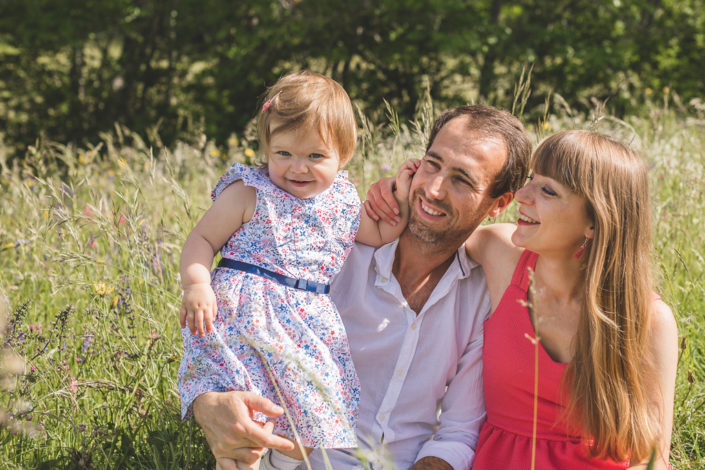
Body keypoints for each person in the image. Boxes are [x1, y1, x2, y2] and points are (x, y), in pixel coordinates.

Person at [189, 105, 532, 469]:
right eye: (432, 164)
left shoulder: (485, 292)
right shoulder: (330, 245)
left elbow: (458, 435)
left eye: (462, 179)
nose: (433, 189)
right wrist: (207, 402)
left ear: (499, 204)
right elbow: (235, 323)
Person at [371, 130, 678, 469]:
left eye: (547, 190)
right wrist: (390, 195)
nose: (522, 195)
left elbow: (652, 458)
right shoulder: (500, 255)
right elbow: (434, 221)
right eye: (532, 179)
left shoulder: (648, 320)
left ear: (594, 221)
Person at [177, 70, 412, 470]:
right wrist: (196, 284)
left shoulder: (342, 202)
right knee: (246, 409)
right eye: (283, 153)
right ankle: (236, 460)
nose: (297, 168)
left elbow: (381, 231)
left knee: (307, 418)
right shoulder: (250, 192)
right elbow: (201, 240)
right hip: (243, 316)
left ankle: (279, 462)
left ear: (344, 155)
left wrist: (403, 190)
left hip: (305, 325)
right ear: (267, 147)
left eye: (315, 156)